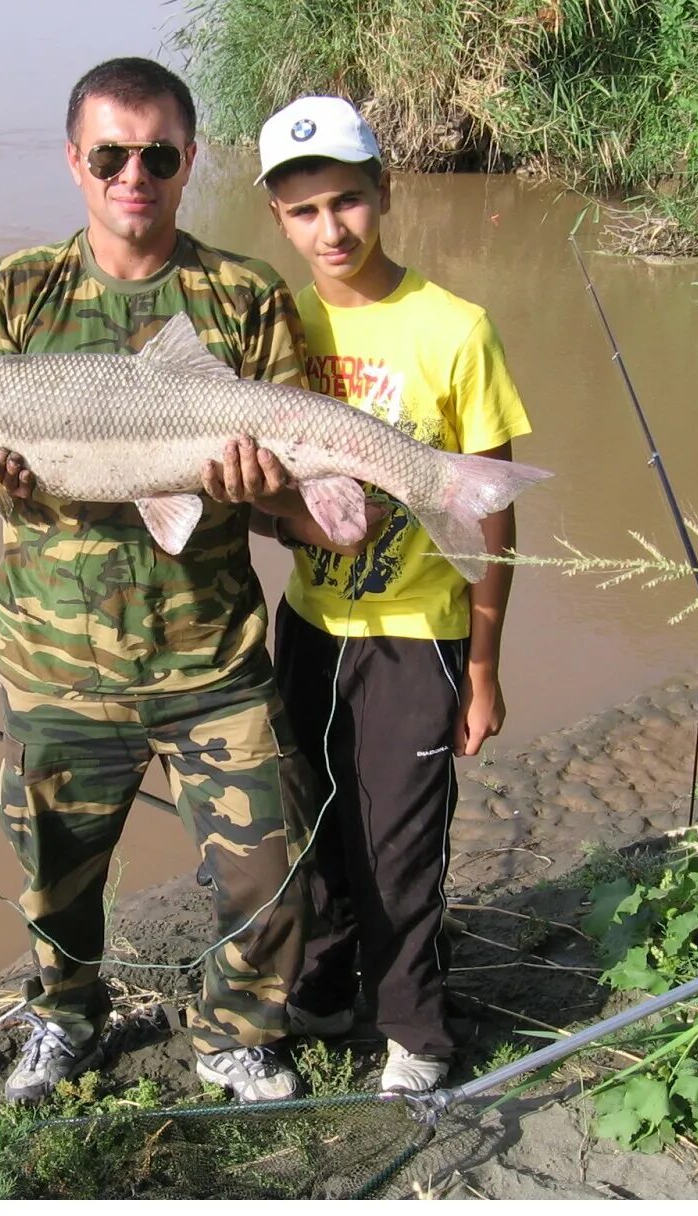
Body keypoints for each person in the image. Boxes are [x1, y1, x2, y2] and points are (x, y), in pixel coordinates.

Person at [0, 57, 315, 1105]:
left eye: (158, 155)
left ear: (190, 161)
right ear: (74, 161)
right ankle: (66, 1017)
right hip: (56, 664)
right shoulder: (14, 293)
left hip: (214, 659)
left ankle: (236, 1031)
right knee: (53, 880)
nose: (133, 175)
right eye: (110, 154)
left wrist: (259, 487)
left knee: (268, 873)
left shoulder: (243, 296)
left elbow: (290, 497)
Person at [246, 96, 534, 1093]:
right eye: (303, 212)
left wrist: (485, 666)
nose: (330, 230)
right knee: (309, 826)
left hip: (419, 631)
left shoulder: (455, 328)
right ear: (277, 222)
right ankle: (323, 990)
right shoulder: (273, 326)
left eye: (346, 201)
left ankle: (416, 1030)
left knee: (399, 837)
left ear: (384, 193)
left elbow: (491, 514)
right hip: (311, 623)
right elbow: (252, 493)